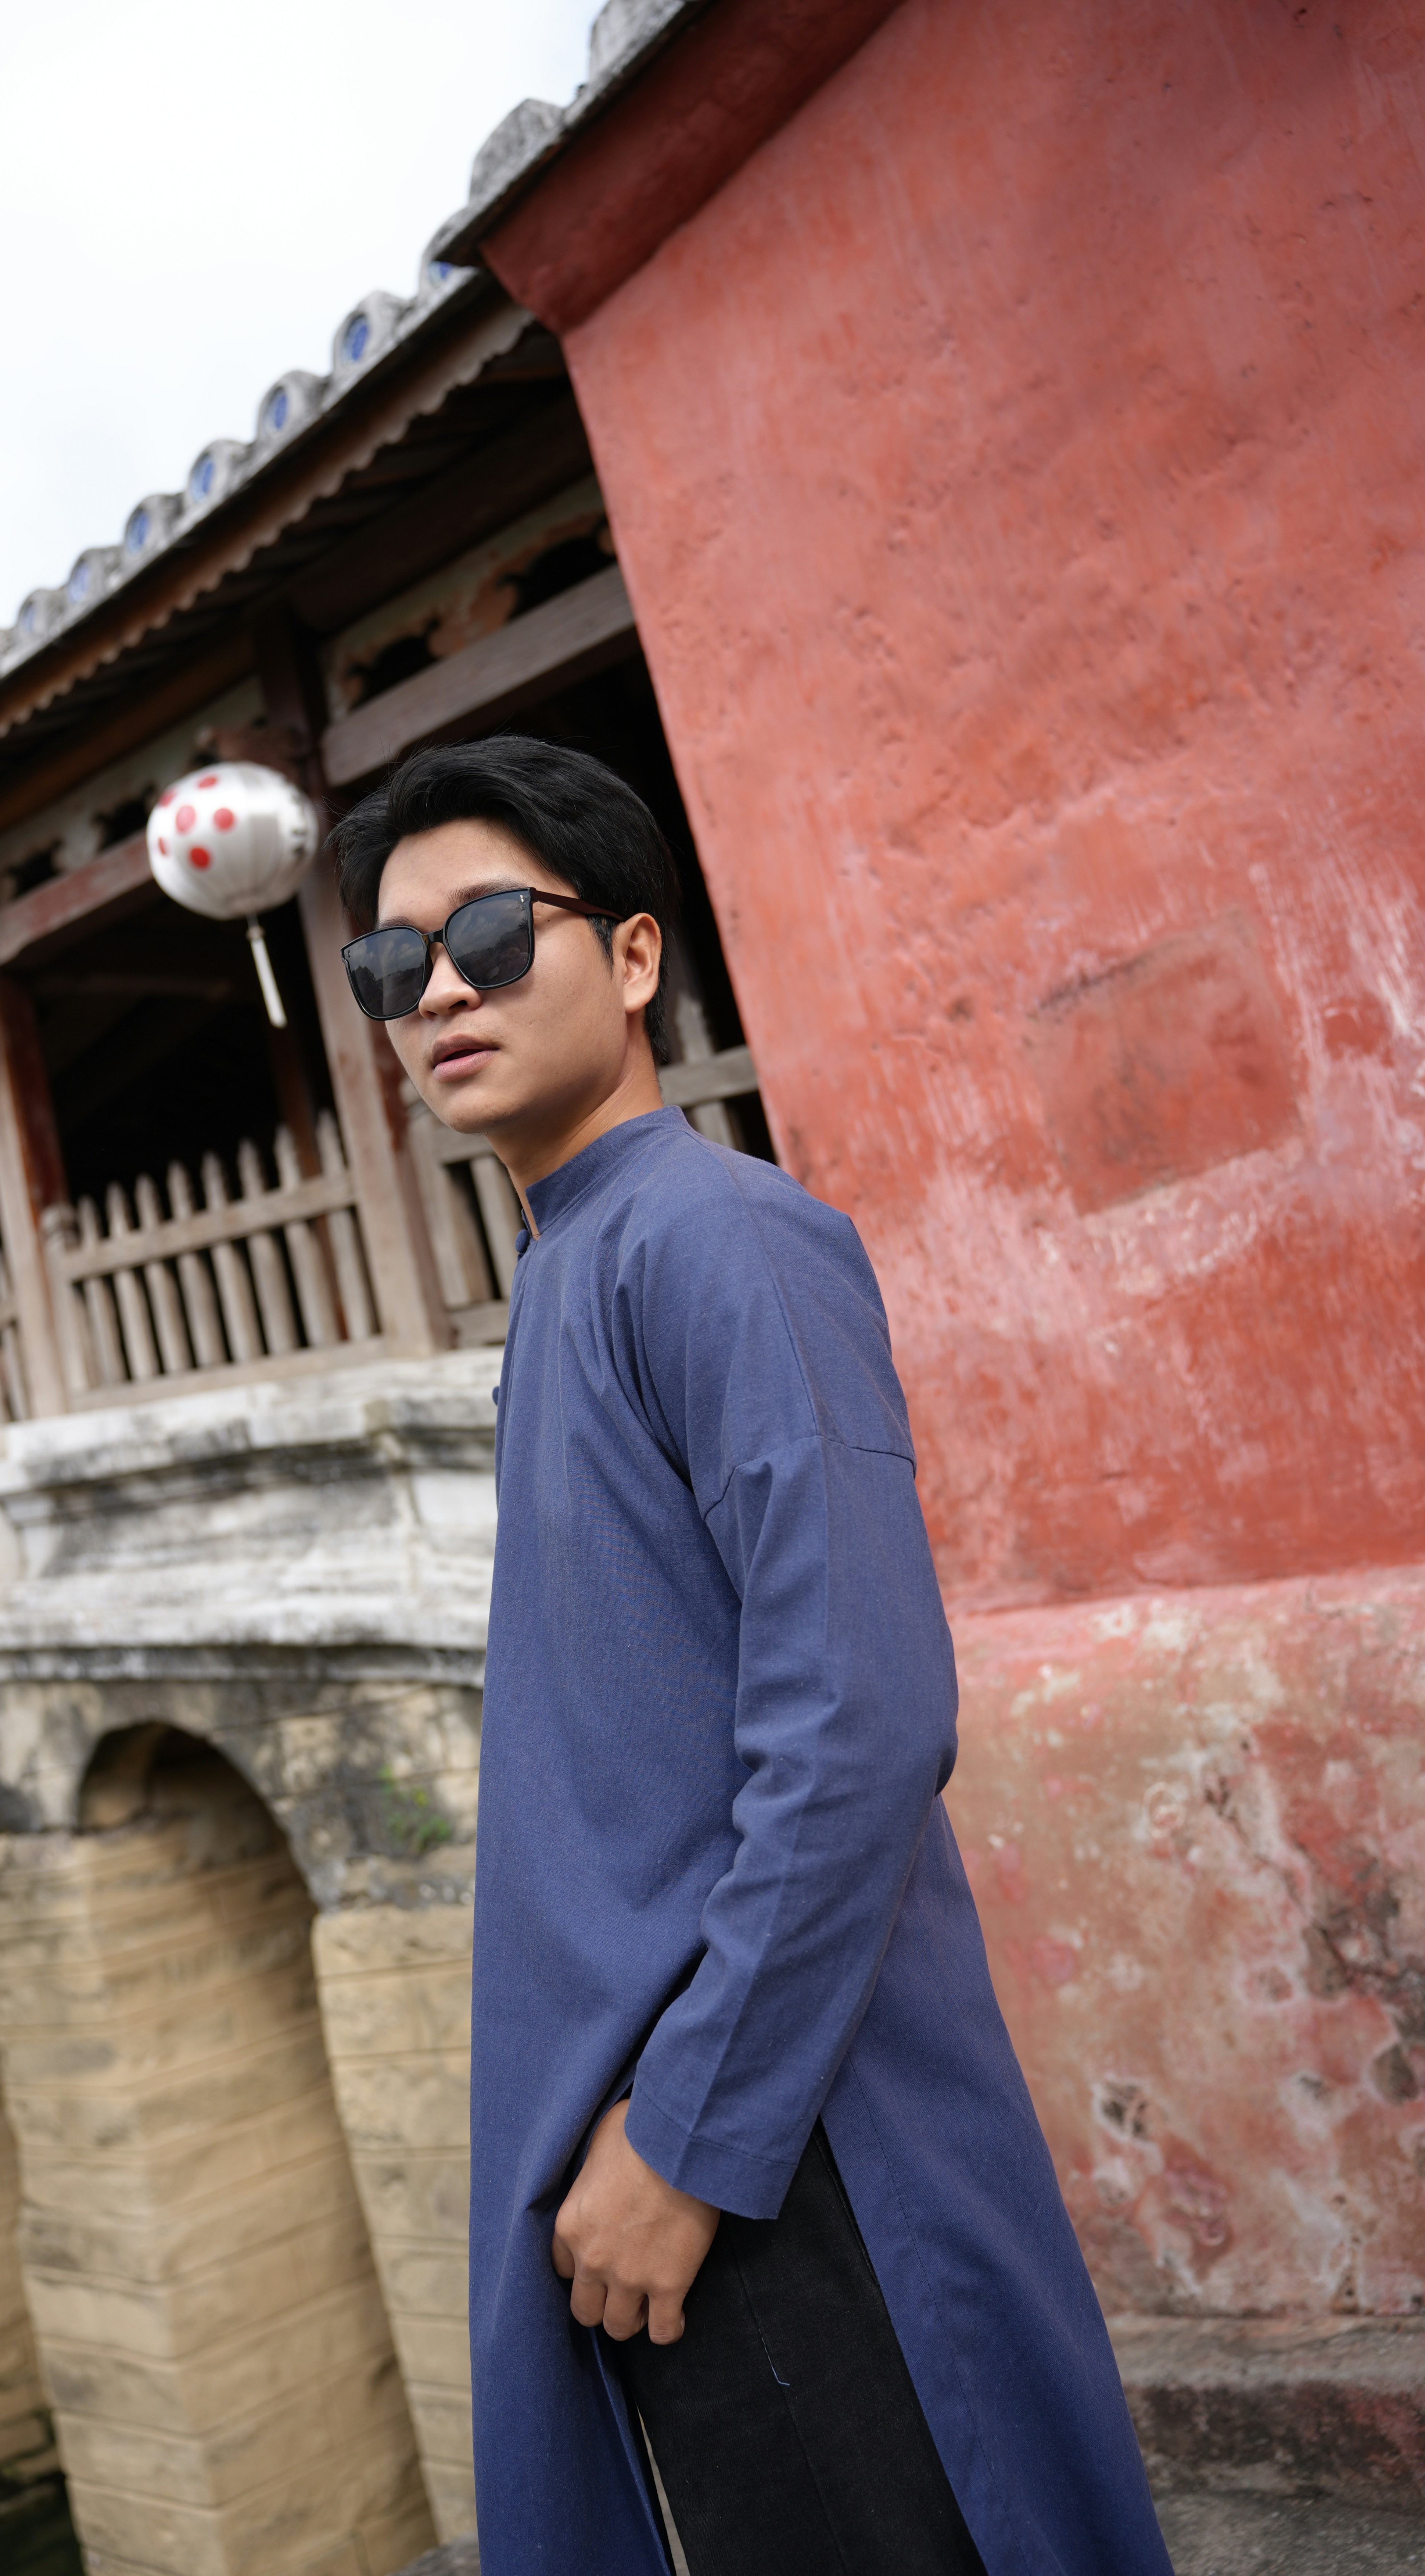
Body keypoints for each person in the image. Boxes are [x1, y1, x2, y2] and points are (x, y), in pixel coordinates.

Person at [331, 738, 1173, 2576]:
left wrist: (689, 2136)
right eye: (391, 968)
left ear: (633, 959)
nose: (438, 992)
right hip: (680, 2136)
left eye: (485, 929)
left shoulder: (719, 1242)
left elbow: (860, 1715)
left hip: (786, 2150)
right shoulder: (570, 1273)